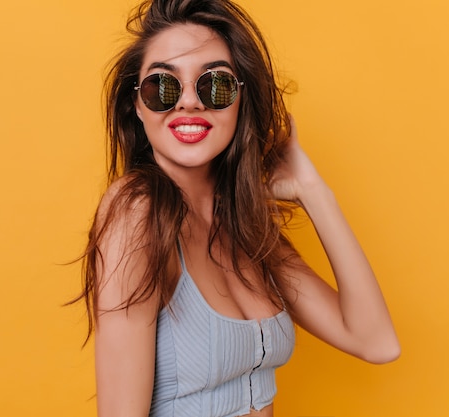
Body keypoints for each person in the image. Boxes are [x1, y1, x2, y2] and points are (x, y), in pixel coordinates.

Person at [73, 0, 400, 416]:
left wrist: (312, 190)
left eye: (215, 85)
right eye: (163, 87)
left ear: (241, 101)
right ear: (136, 107)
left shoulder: (246, 228)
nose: (189, 102)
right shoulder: (136, 212)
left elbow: (376, 342)